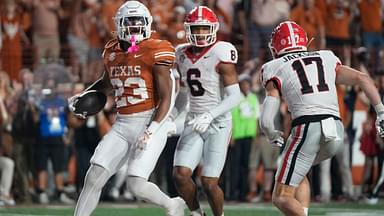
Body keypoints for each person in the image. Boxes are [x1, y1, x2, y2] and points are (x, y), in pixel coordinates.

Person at [70, 1, 185, 216]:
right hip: (123, 123)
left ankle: (172, 204)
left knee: (136, 185)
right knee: (94, 175)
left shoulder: (156, 48)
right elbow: (107, 83)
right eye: (129, 22)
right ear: (119, 24)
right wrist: (84, 94)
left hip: (151, 119)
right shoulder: (112, 51)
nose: (133, 27)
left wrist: (153, 129)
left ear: (147, 23)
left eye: (138, 22)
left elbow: (167, 97)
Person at [259, 21, 384, 216]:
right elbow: (363, 79)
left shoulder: (273, 66)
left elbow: (267, 118)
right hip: (336, 128)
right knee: (298, 175)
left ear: (276, 47)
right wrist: (381, 113)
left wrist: (270, 132)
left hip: (307, 127)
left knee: (281, 196)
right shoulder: (325, 57)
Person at [172, 6, 243, 216]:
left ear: (213, 28)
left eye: (204, 28)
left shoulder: (221, 51)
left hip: (218, 122)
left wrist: (210, 115)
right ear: (188, 29)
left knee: (209, 182)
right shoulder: (181, 54)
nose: (201, 33)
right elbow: (183, 94)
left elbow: (235, 96)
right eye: (196, 29)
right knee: (180, 175)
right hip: (194, 120)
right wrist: (171, 117)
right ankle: (196, 214)